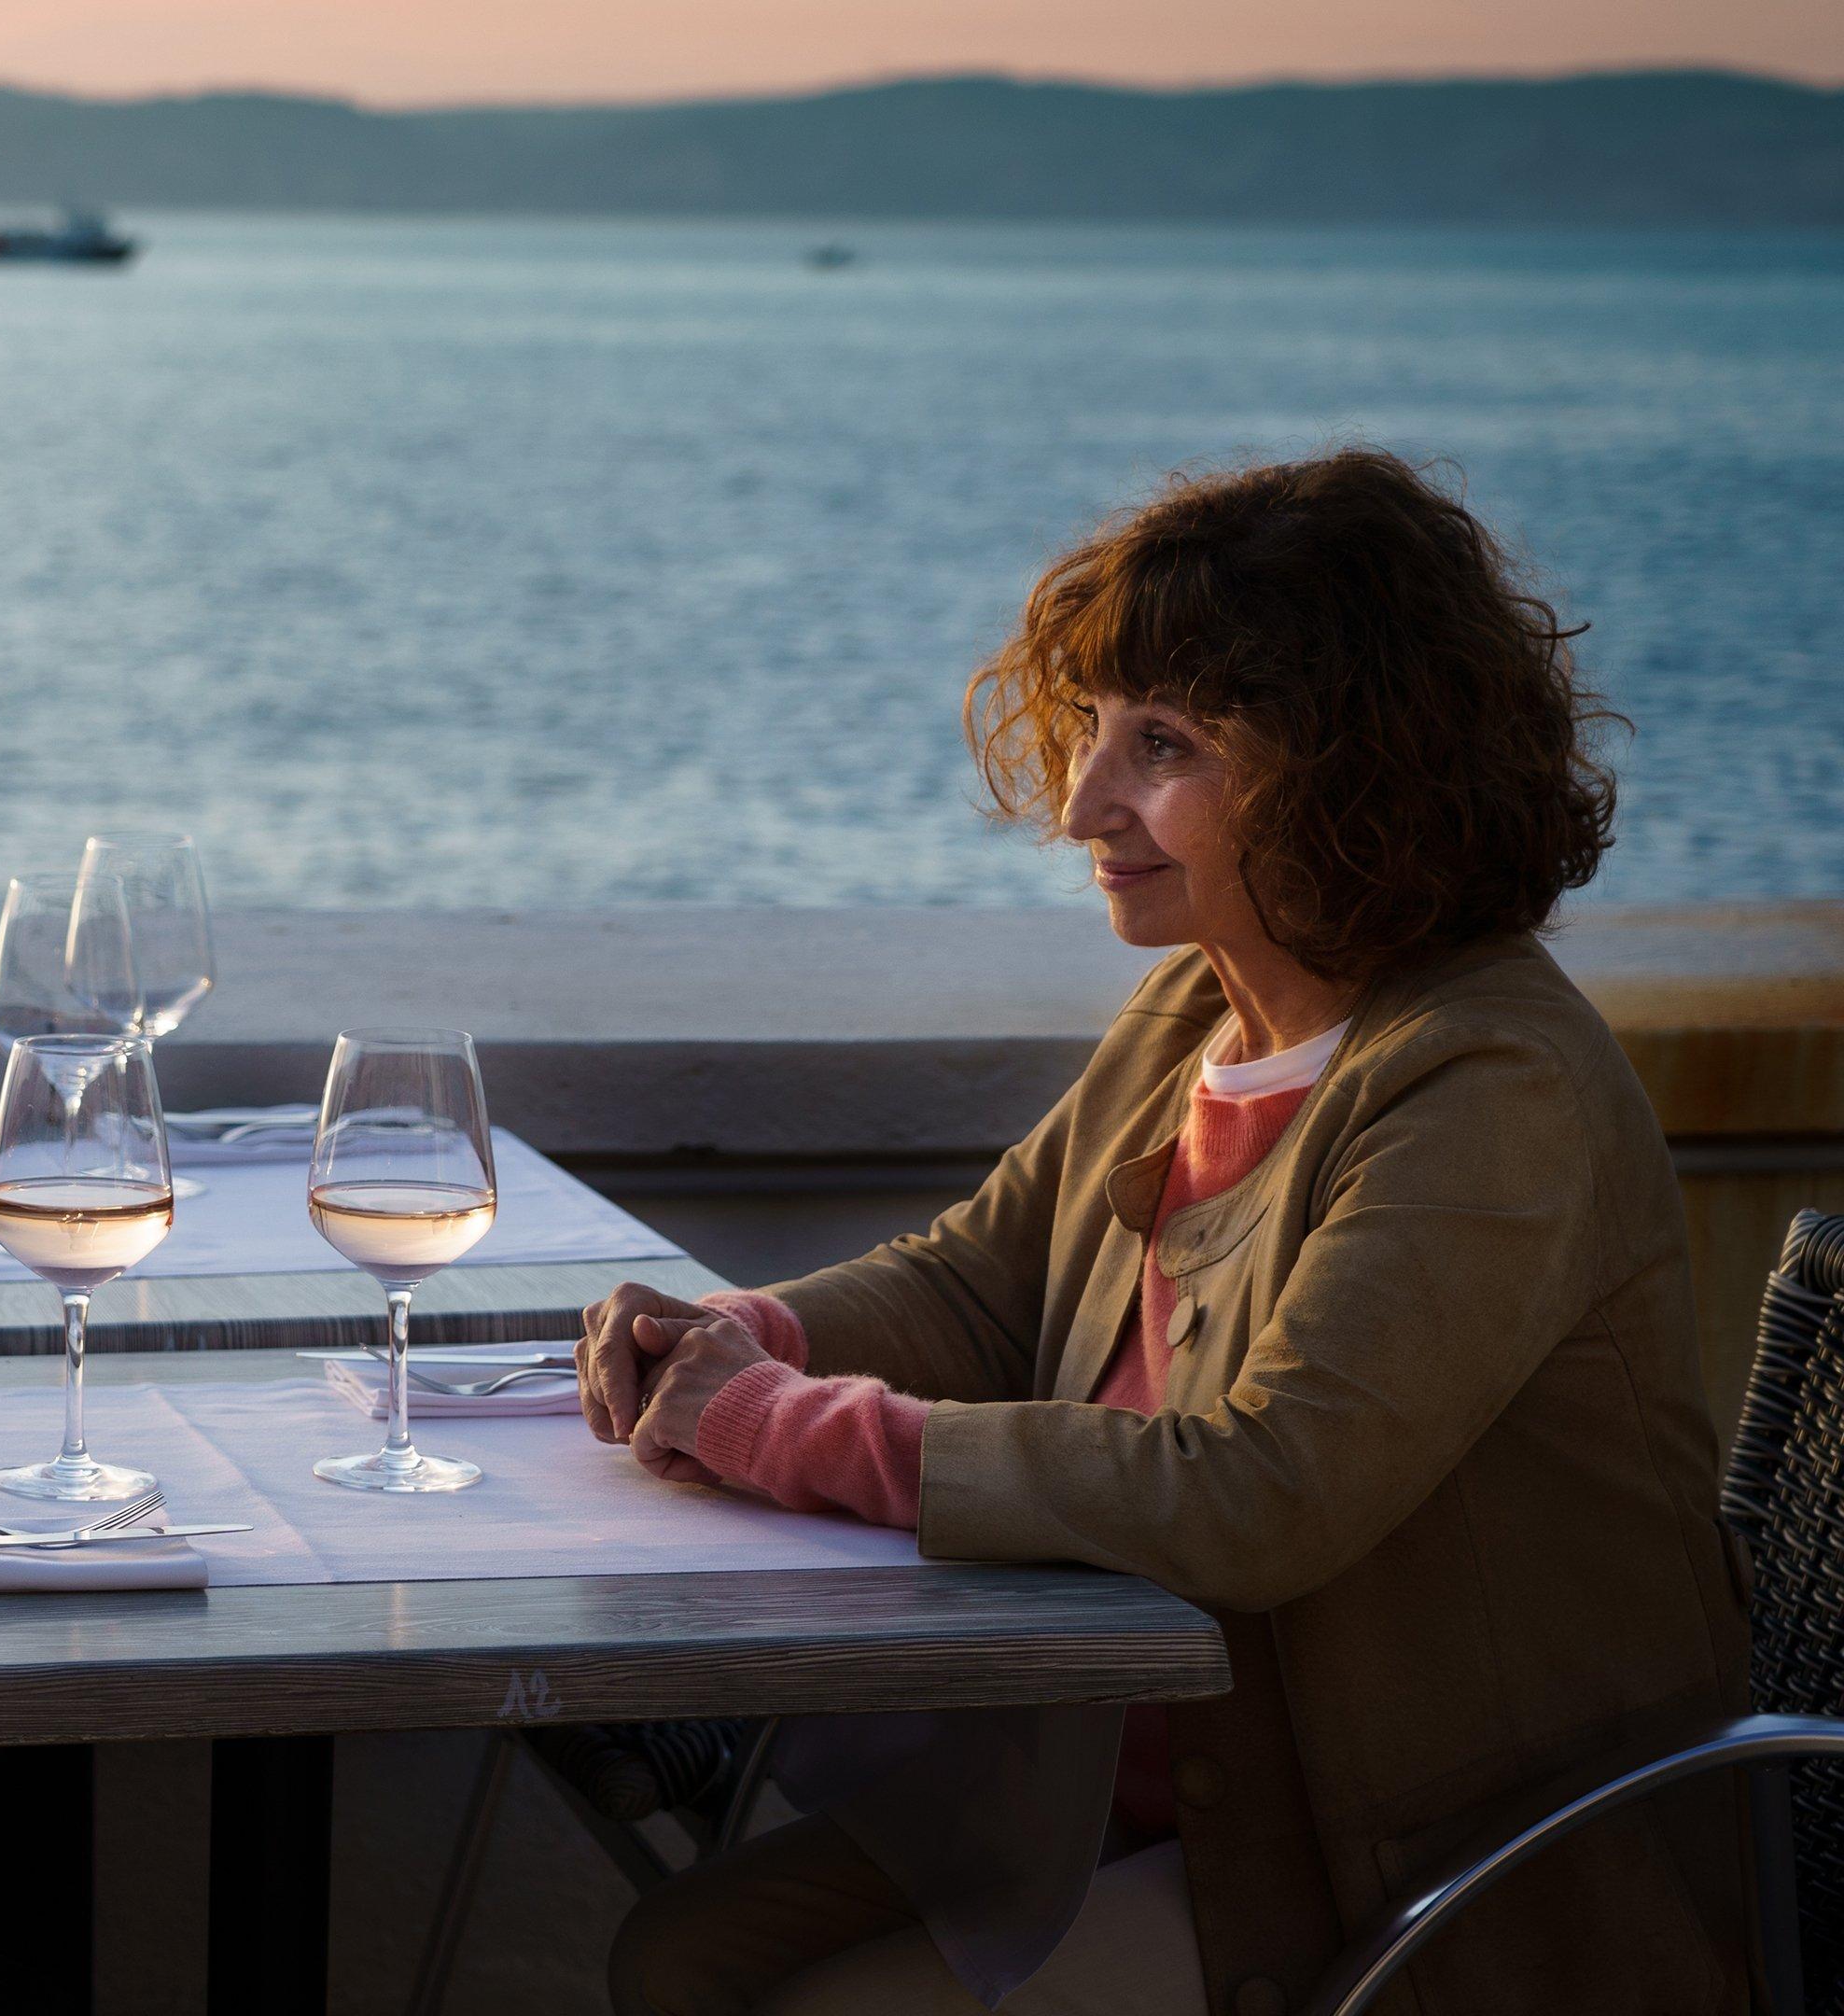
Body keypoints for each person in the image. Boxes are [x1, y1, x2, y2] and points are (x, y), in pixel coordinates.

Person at [580, 450, 1749, 2016]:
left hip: (1427, 1868)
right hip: (1143, 1795)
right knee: (674, 1959)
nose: (1082, 803)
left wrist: (784, 1430)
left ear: (1354, 769)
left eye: (1166, 745)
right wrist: (747, 1336)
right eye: (1094, 728)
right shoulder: (1203, 1005)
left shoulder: (1492, 1083)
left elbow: (1263, 1495)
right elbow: (981, 1283)